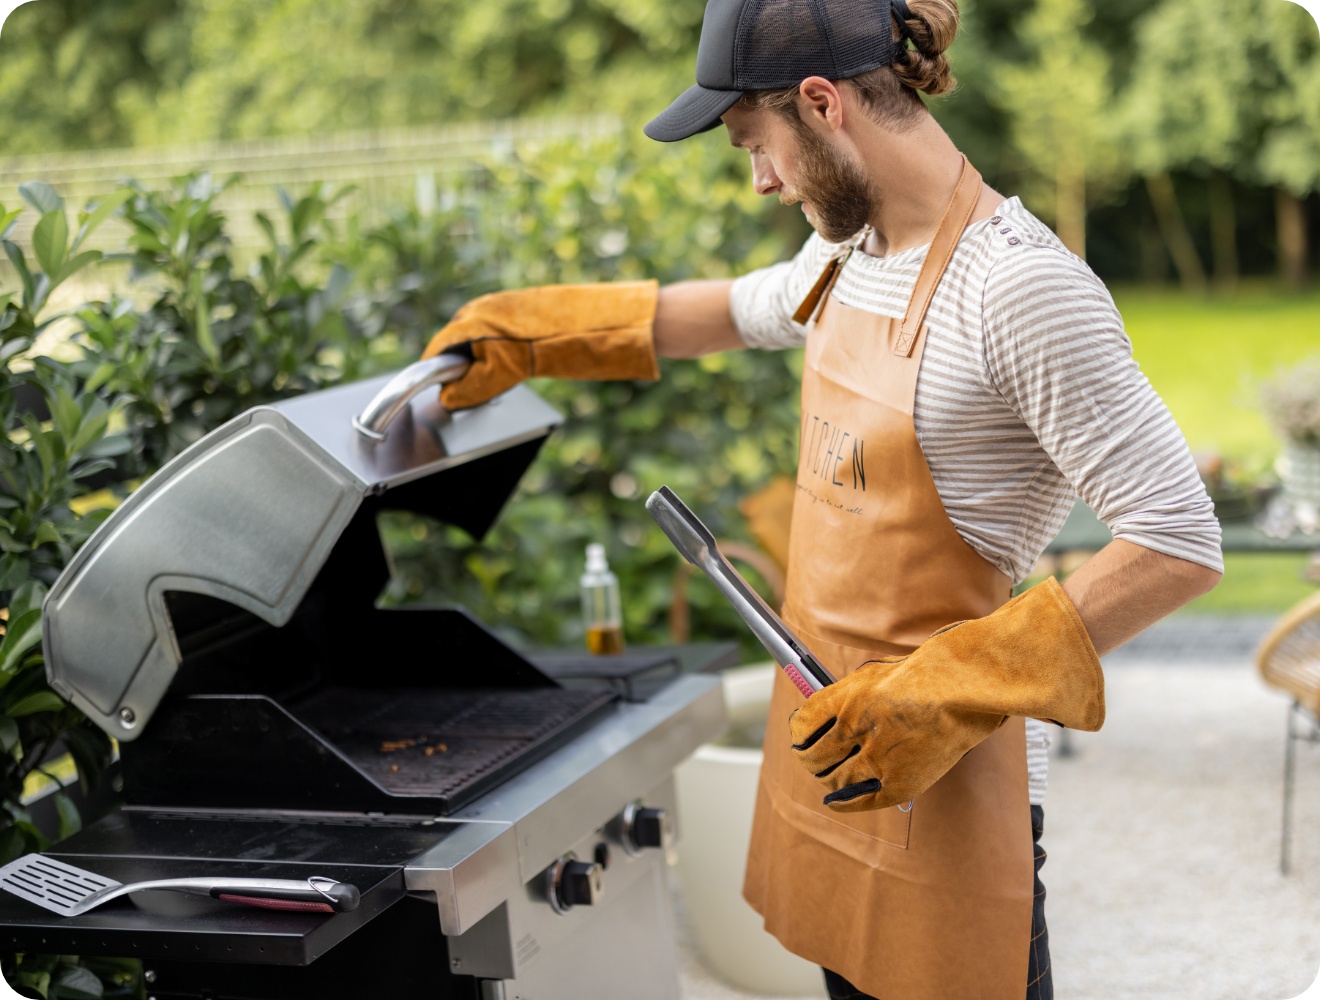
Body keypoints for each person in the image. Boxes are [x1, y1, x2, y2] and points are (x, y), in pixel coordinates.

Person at [422, 1, 1224, 996]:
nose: (758, 179)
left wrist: (946, 688)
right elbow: (734, 309)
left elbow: (1178, 536)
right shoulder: (852, 251)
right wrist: (536, 335)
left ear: (821, 103)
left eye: (756, 144)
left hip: (951, 794)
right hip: (840, 760)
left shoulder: (1017, 290)